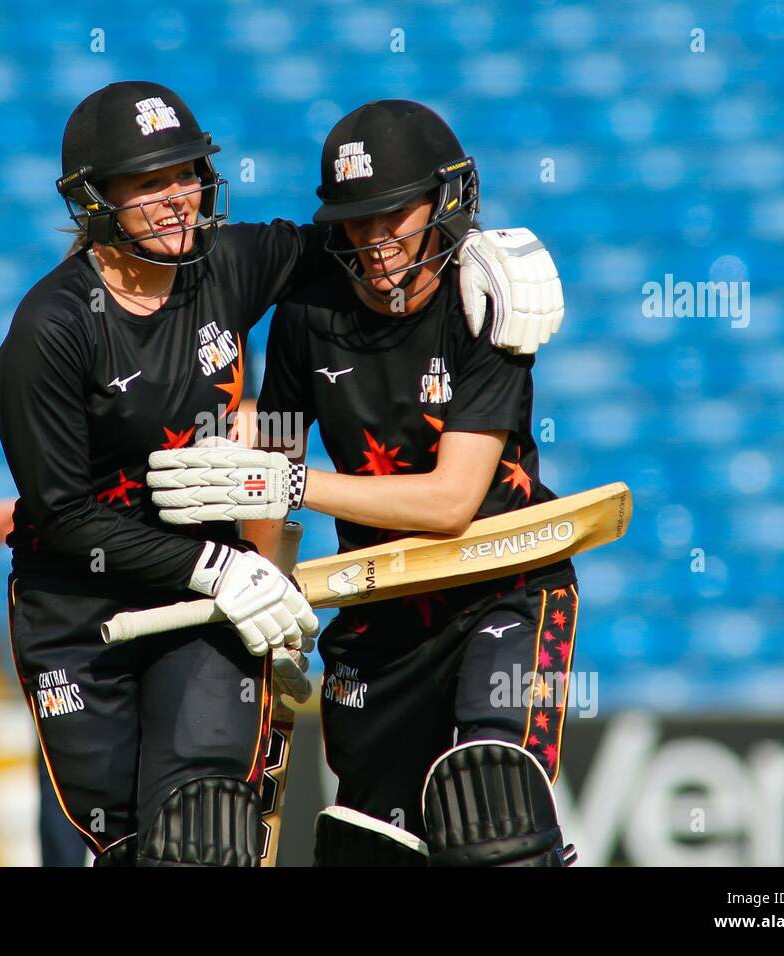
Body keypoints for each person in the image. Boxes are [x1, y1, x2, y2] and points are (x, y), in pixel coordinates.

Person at [146, 100, 578, 866]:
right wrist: (268, 603)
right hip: (380, 609)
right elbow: (264, 480)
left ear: (445, 204)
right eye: (357, 223)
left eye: (394, 218)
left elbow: (451, 503)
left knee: (493, 818)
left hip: (504, 587)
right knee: (369, 851)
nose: (375, 244)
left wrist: (288, 483)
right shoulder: (307, 315)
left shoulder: (490, 301)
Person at [0, 80, 332, 867]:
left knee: (200, 830)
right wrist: (214, 563)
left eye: (186, 175)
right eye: (150, 184)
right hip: (81, 619)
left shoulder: (226, 266)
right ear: (94, 202)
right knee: (129, 851)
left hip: (205, 608)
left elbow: (345, 248)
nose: (179, 199)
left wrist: (479, 252)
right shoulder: (50, 330)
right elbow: (65, 514)